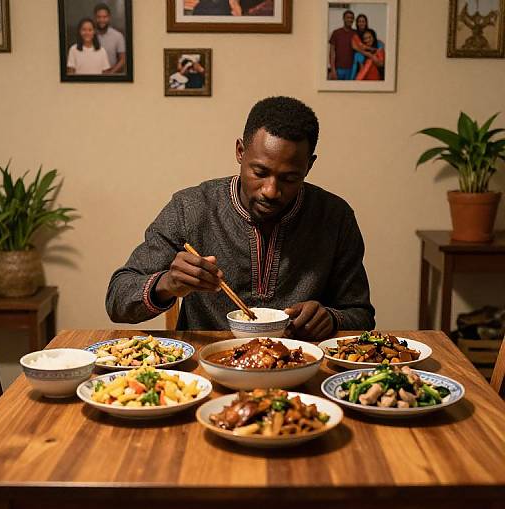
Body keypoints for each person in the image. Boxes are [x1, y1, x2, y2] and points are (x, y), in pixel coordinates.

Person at [106, 96, 375, 340]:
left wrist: (330, 318)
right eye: (259, 172)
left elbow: (361, 315)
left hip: (298, 366)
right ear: (240, 151)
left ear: (309, 166)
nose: (271, 190)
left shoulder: (334, 217)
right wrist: (167, 284)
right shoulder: (191, 208)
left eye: (290, 178)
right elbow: (117, 300)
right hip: (204, 370)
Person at [94, 3, 126, 74]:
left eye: (105, 17)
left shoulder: (118, 36)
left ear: (109, 18)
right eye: (99, 17)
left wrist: (111, 74)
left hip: (112, 75)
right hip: (92, 74)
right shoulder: (90, 34)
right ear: (95, 18)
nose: (102, 20)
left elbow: (123, 60)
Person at [328, 10, 356, 81]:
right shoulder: (336, 33)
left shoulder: (355, 33)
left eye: (351, 18)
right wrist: (333, 69)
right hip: (338, 69)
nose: (350, 19)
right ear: (343, 18)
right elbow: (332, 52)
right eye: (348, 17)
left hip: (351, 69)